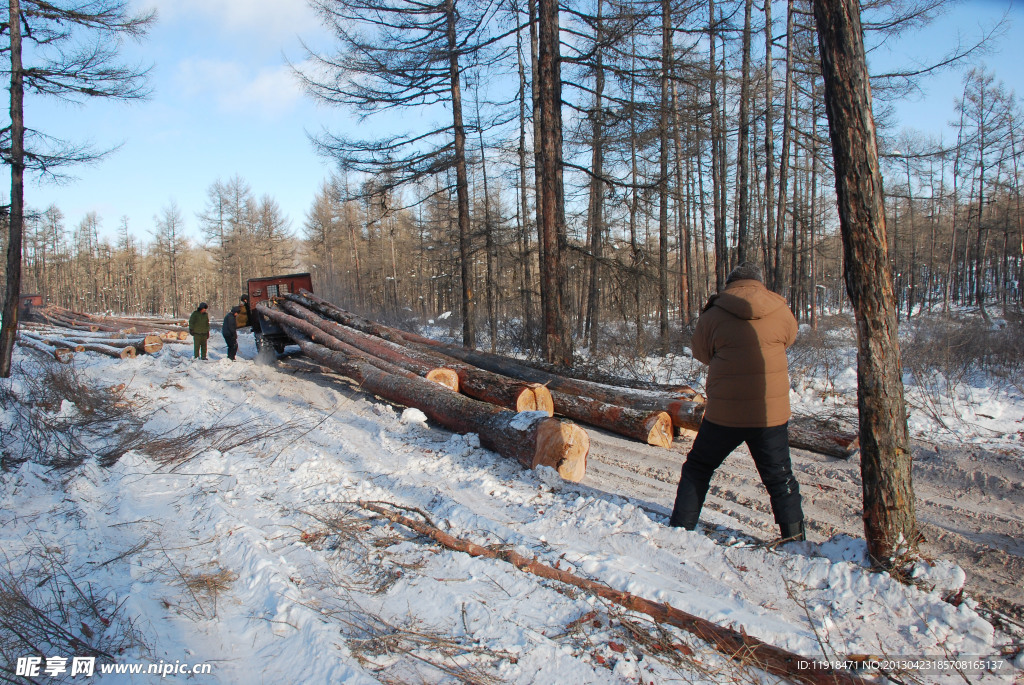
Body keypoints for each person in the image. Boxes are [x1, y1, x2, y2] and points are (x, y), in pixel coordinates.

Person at [669, 262, 805, 541]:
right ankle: (795, 540)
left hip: (725, 415)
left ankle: (681, 531)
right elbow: (788, 339)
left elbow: (700, 352)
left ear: (731, 283)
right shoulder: (781, 308)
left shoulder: (715, 313)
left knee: (699, 468)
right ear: (760, 282)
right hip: (770, 413)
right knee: (780, 478)